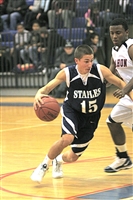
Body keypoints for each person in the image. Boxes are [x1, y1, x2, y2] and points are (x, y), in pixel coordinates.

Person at [30, 44, 133, 183]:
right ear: (76, 60)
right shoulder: (67, 73)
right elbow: (47, 88)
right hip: (72, 111)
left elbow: (122, 84)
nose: (90, 64)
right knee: (67, 138)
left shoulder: (100, 70)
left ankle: (57, 161)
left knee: (72, 157)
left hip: (91, 117)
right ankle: (43, 165)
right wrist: (38, 93)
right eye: (86, 61)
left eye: (91, 60)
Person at [104, 18, 133, 173]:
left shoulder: (131, 47)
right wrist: (100, 83)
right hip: (129, 94)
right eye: (112, 33)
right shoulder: (114, 51)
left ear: (126, 33)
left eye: (118, 32)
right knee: (112, 122)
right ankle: (123, 158)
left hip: (128, 91)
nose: (114, 36)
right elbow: (111, 73)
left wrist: (124, 90)